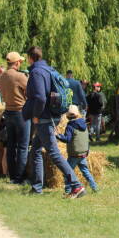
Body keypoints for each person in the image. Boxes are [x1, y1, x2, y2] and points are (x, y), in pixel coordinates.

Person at [24, 46, 85, 198]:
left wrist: (36, 115)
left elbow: (40, 97)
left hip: (44, 118)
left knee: (54, 153)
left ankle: (76, 185)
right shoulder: (48, 69)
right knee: (35, 150)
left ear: (30, 57)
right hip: (52, 115)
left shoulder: (37, 72)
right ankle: (37, 187)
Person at [0, 52, 30, 184]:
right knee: (23, 146)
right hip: (20, 112)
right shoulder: (19, 76)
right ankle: (20, 177)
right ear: (17, 63)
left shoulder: (2, 76)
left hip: (8, 112)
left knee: (11, 145)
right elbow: (30, 90)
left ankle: (12, 176)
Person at [56, 105, 99, 194]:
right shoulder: (84, 124)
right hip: (83, 153)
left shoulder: (70, 126)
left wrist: (58, 135)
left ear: (67, 116)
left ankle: (67, 191)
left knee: (67, 173)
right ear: (77, 114)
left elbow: (67, 139)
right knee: (86, 172)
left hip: (74, 155)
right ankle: (95, 188)